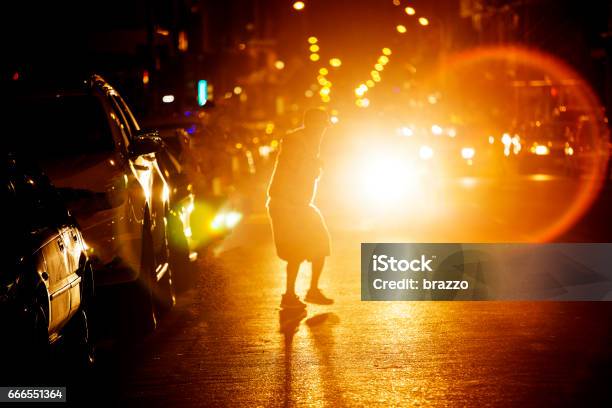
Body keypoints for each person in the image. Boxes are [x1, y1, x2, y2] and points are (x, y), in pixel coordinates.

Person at [267, 108, 333, 309]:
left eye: (324, 125)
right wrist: (312, 164)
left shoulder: (310, 144)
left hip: (299, 204)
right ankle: (289, 294)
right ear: (310, 124)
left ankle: (311, 290)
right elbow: (292, 169)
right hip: (286, 204)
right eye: (320, 125)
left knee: (320, 243)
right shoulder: (296, 142)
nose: (322, 129)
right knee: (295, 250)